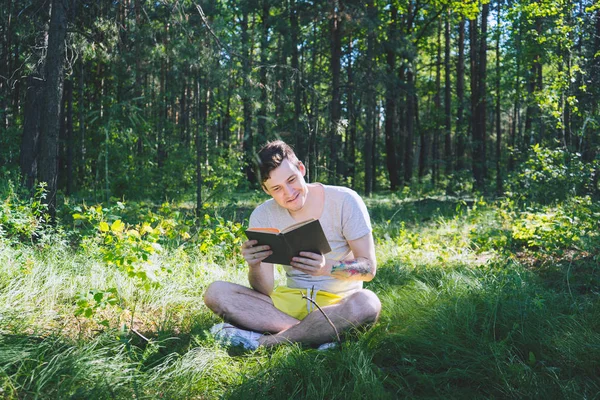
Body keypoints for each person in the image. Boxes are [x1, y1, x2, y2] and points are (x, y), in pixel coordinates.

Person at [203, 140, 381, 349]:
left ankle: (264, 342)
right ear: (265, 190)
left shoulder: (345, 200)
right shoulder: (262, 215)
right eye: (277, 188)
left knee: (368, 303)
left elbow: (368, 269)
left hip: (338, 304)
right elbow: (264, 289)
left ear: (302, 169)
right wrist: (255, 265)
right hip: (286, 305)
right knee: (216, 292)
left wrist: (326, 267)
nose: (288, 192)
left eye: (291, 180)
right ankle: (316, 336)